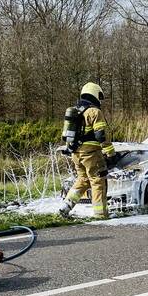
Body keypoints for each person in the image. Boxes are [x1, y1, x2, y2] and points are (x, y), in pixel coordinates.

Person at [59, 82, 116, 219]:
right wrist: (110, 152)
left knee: (83, 180)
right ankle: (100, 214)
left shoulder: (75, 110)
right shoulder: (94, 112)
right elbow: (101, 135)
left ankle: (66, 205)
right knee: (98, 181)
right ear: (95, 94)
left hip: (76, 153)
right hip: (91, 154)